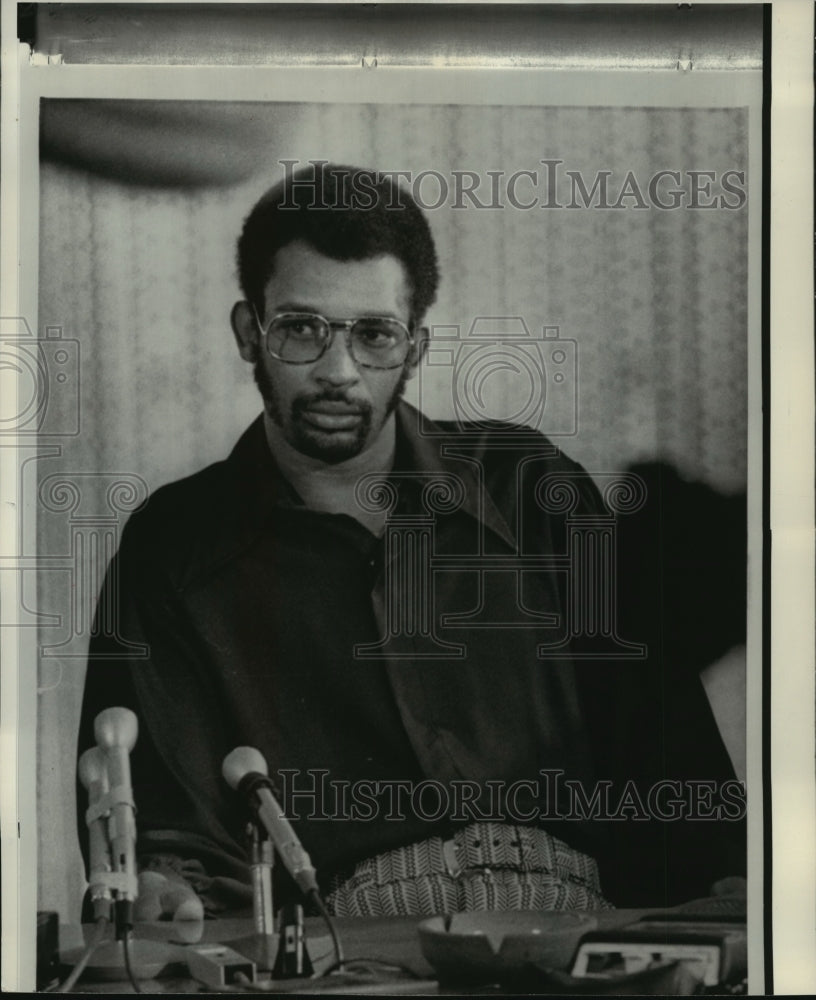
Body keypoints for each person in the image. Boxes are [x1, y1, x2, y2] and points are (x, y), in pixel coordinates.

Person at [78, 162, 744, 922]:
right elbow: (168, 841)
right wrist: (164, 892)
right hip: (345, 961)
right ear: (248, 333)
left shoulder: (535, 488)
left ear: (416, 347)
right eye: (300, 328)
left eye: (374, 335)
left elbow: (675, 768)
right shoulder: (175, 547)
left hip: (581, 939)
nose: (338, 371)